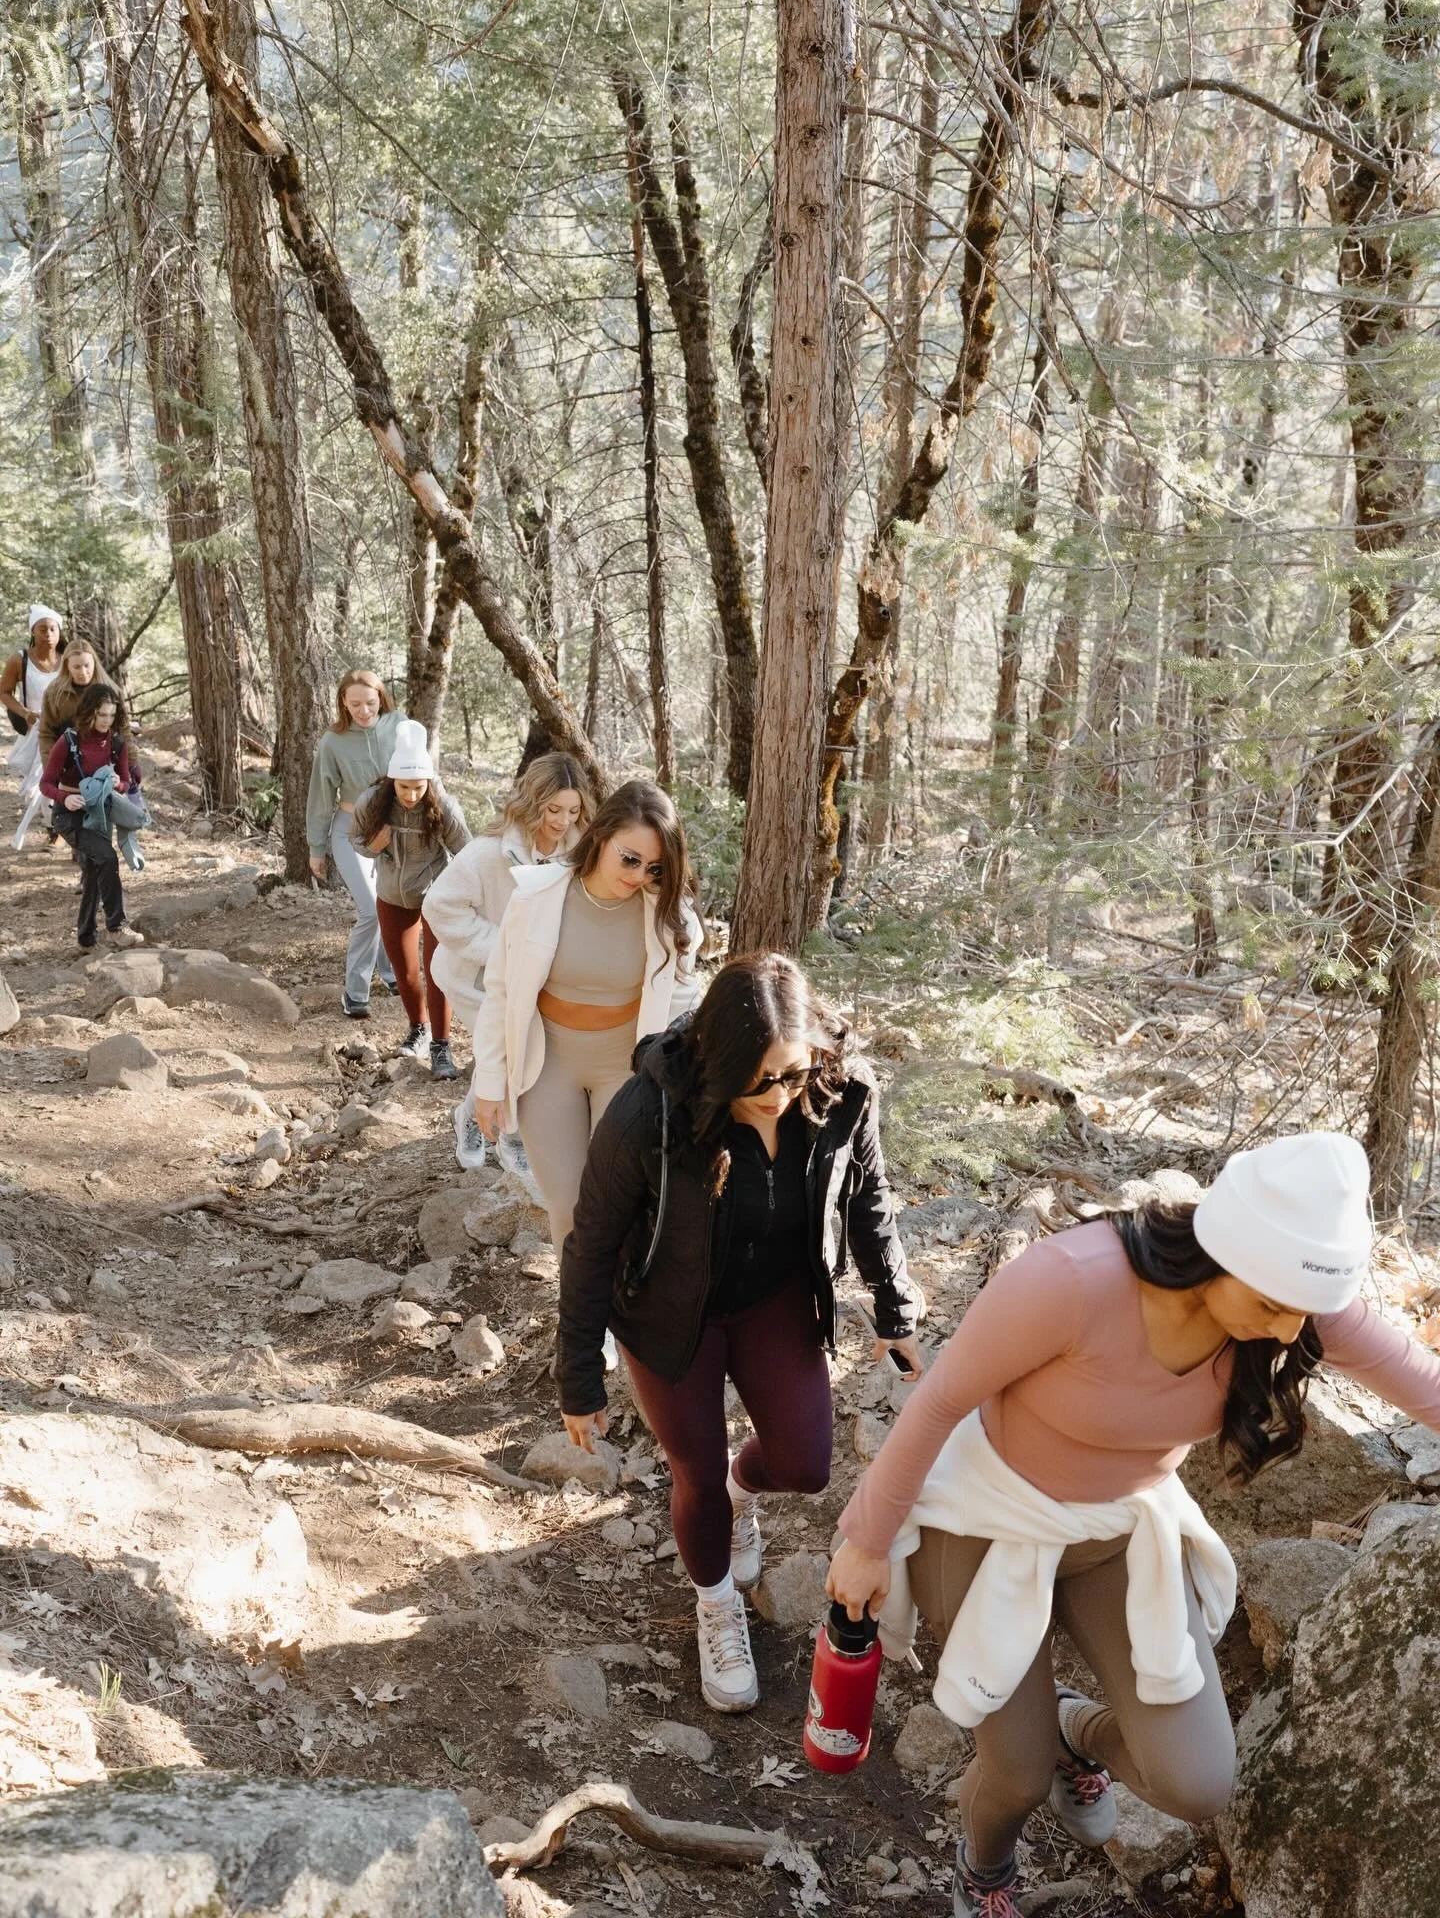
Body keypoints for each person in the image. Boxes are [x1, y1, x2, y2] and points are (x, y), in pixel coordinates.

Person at [825, 1133, 1440, 1918]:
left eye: (1305, 1315)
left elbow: (1422, 1384)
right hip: (987, 1523)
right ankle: (985, 1870)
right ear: (1222, 1252)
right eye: (1272, 1309)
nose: (1290, 1335)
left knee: (1198, 1783)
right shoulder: (1074, 1281)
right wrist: (869, 1541)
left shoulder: (1296, 1297)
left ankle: (1076, 1729)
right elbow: (941, 1400)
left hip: (1120, 1531)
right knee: (1013, 1773)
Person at [557, 952, 926, 1714]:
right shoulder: (648, 1113)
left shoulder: (844, 1094)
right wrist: (578, 1378)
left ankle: (740, 1490)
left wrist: (895, 1309)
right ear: (717, 1063)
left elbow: (869, 1199)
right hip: (668, 1312)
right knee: (693, 1472)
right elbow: (590, 1242)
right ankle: (716, 1600)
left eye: (792, 1076)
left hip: (775, 1297)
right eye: (757, 1082)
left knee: (805, 1463)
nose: (778, 1097)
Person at [469, 779, 702, 1256]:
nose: (638, 876)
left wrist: (680, 1087)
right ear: (600, 835)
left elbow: (681, 1004)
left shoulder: (669, 915)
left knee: (621, 1200)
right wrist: (489, 1082)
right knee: (569, 1203)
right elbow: (501, 991)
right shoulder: (536, 896)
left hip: (628, 1070)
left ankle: (623, 1317)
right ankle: (582, 1323)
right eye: (630, 859)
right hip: (547, 1066)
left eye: (654, 866)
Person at [423, 751, 595, 1174]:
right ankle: (507, 1134)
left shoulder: (579, 853)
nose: (563, 821)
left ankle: (473, 1117)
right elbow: (439, 906)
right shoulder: (487, 853)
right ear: (533, 802)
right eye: (554, 809)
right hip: (472, 976)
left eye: (573, 811)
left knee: (515, 1050)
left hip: (537, 979)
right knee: (510, 1051)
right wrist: (502, 947)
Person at [351, 720, 471, 1081]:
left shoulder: (443, 806)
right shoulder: (372, 802)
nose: (412, 794)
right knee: (404, 973)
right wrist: (374, 845)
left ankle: (441, 1046)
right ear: (392, 781)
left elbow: (467, 853)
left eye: (419, 787)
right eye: (404, 787)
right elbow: (354, 840)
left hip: (435, 897)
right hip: (391, 895)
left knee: (438, 972)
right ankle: (418, 1029)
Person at [305, 669, 405, 1018]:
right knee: (369, 909)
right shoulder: (332, 742)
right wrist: (316, 848)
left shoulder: (399, 726)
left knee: (390, 904)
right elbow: (320, 797)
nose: (364, 711)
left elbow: (422, 777)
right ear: (343, 704)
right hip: (351, 830)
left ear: (381, 698)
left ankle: (391, 972)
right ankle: (355, 993)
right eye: (356, 704)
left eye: (371, 703)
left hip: (393, 830)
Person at [39, 682, 146, 953]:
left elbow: (125, 782)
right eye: (101, 715)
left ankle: (86, 938)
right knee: (106, 858)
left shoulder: (117, 743)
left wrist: (116, 783)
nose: (106, 721)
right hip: (69, 815)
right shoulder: (69, 741)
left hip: (99, 814)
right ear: (89, 712)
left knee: (93, 871)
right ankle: (117, 927)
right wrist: (65, 798)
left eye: (111, 715)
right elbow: (46, 784)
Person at [4, 605, 65, 851]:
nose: (48, 634)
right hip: (36, 731)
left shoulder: (68, 658)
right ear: (33, 631)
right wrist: (25, 713)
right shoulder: (20, 659)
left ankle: (60, 831)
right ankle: (55, 827)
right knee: (43, 781)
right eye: (43, 629)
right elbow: (4, 692)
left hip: (66, 729)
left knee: (62, 778)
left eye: (53, 628)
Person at [38, 640, 115, 762]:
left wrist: (131, 765)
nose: (83, 672)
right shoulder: (54, 693)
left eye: (87, 665)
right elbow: (46, 734)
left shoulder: (111, 690)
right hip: (68, 764)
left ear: (94, 663)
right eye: (77, 667)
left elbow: (123, 730)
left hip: (105, 764)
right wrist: (51, 770)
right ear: (67, 666)